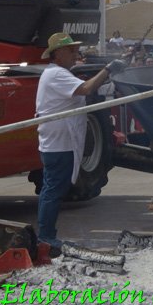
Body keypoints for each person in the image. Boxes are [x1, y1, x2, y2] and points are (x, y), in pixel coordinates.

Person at [35, 32, 125, 250]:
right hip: (58, 143)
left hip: (60, 141)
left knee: (54, 188)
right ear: (58, 53)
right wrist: (108, 69)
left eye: (76, 51)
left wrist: (105, 76)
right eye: (71, 51)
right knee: (53, 190)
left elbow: (84, 88)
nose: (76, 55)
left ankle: (47, 235)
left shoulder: (58, 73)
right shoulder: (56, 74)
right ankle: (45, 237)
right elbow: (86, 88)